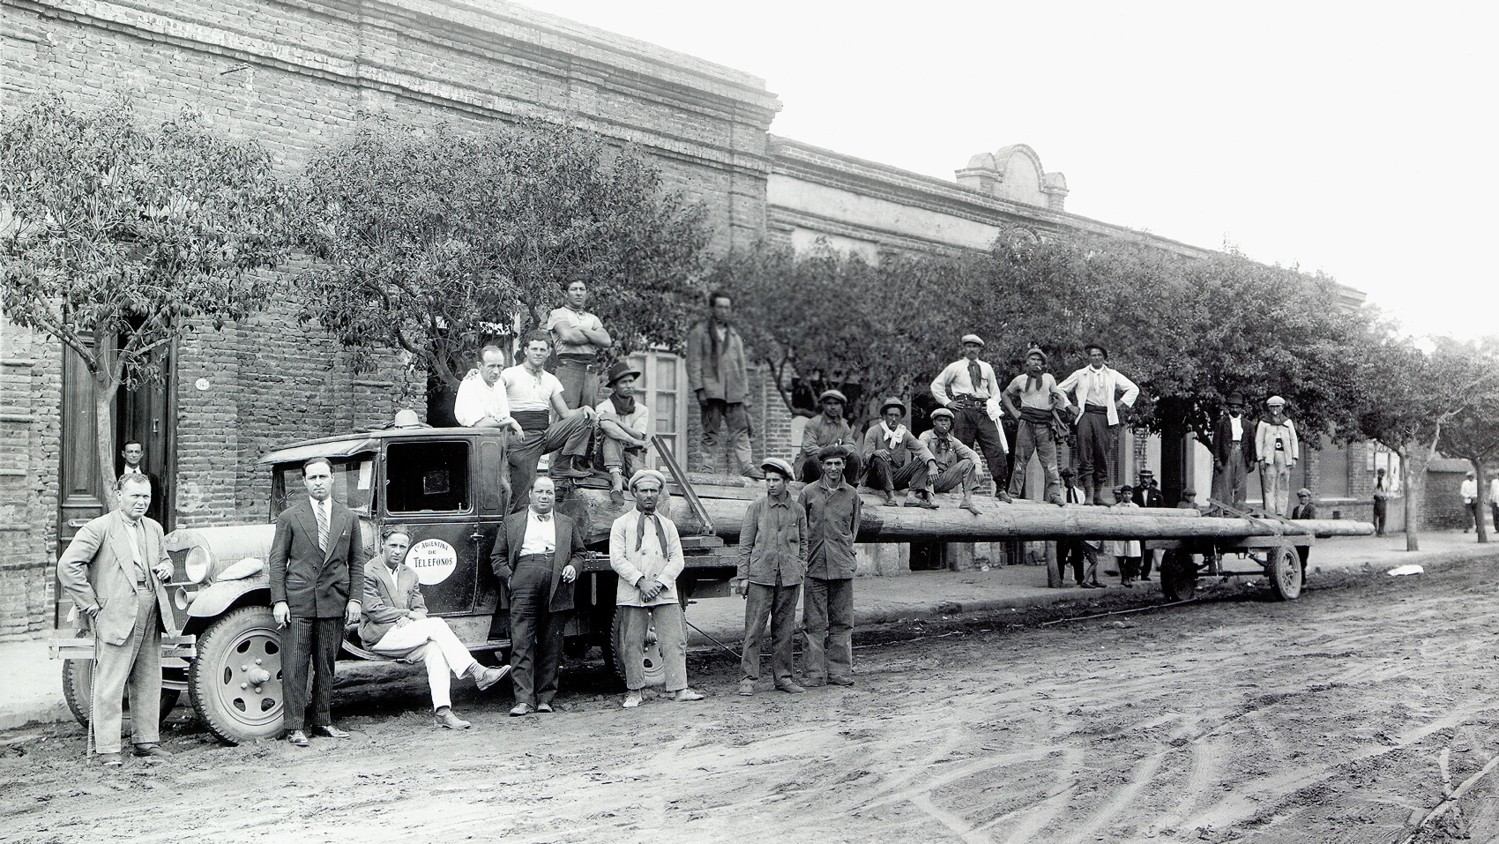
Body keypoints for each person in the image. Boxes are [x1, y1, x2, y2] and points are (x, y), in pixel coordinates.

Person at [56, 474, 176, 765]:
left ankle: (146, 741)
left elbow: (166, 559)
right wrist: (92, 605)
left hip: (151, 607)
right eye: (135, 496)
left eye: (146, 497)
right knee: (111, 681)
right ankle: (108, 750)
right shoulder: (99, 528)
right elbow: (67, 566)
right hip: (115, 612)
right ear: (119, 495)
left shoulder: (154, 528)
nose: (141, 502)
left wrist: (165, 567)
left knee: (149, 678)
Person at [361, 526, 511, 729]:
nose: (397, 551)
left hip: (405, 633)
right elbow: (374, 611)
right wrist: (407, 614)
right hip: (379, 636)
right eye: (393, 545)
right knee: (437, 624)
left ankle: (442, 712)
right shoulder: (368, 571)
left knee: (436, 649)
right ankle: (478, 671)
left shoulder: (410, 574)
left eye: (402, 547)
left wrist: (413, 617)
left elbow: (420, 609)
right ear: (382, 545)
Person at [269, 457, 363, 748]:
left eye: (323, 476)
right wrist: (279, 601)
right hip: (298, 601)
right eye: (312, 478)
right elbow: (277, 561)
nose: (318, 482)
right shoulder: (289, 517)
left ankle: (323, 721)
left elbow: (356, 562)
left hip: (333, 601)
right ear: (305, 481)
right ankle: (295, 726)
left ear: (333, 478)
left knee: (326, 664)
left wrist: (355, 599)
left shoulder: (349, 518)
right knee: (295, 665)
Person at [608, 469, 705, 708]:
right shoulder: (621, 524)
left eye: (653, 490)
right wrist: (641, 581)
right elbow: (617, 559)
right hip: (634, 591)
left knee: (674, 640)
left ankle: (679, 688)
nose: (649, 495)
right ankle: (634, 691)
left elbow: (677, 560)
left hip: (663, 591)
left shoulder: (668, 525)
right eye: (644, 491)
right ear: (634, 493)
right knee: (632, 642)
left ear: (659, 493)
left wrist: (659, 583)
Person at [490, 477, 586, 716]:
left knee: (551, 643)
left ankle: (545, 698)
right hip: (524, 576)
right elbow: (497, 557)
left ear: (554, 497)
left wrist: (574, 566)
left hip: (557, 580)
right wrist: (512, 579)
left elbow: (579, 552)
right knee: (521, 640)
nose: (545, 496)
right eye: (540, 492)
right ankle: (523, 700)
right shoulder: (511, 523)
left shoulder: (566, 523)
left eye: (550, 493)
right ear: (531, 494)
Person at [733, 457, 808, 696]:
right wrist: (743, 576)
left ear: (786, 481)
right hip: (760, 577)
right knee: (753, 630)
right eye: (768, 480)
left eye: (776, 480)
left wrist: (800, 568)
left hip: (788, 578)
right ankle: (747, 679)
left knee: (784, 631)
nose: (771, 485)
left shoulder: (797, 510)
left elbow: (804, 543)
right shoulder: (756, 508)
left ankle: (784, 678)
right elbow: (745, 544)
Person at [502, 331, 597, 507]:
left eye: (542, 349)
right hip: (522, 440)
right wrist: (475, 374)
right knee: (521, 498)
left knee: (585, 418)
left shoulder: (551, 380)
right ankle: (514, 531)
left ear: (549, 353)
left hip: (546, 435)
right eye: (534, 349)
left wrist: (584, 408)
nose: (538, 353)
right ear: (525, 350)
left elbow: (566, 414)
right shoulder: (510, 374)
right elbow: (488, 385)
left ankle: (561, 465)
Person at [800, 445, 863, 686]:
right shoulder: (808, 493)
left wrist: (843, 553)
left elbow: (852, 530)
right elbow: (801, 530)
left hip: (842, 566)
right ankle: (813, 674)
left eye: (838, 463)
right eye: (829, 464)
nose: (833, 468)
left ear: (845, 465)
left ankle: (839, 672)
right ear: (822, 466)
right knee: (813, 623)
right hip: (814, 565)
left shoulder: (852, 495)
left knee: (842, 622)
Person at [686, 291, 762, 478]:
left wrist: (745, 393)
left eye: (727, 307)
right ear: (712, 308)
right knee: (710, 431)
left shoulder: (735, 336)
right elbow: (693, 362)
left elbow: (741, 366)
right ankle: (707, 468)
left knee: (741, 431)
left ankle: (747, 465)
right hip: (712, 391)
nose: (724, 311)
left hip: (734, 392)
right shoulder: (700, 332)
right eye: (720, 306)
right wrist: (699, 388)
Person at [930, 333, 1012, 499]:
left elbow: (996, 393)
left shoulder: (987, 368)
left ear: (979, 349)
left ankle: (1001, 488)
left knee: (995, 448)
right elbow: (936, 385)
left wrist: (991, 405)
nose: (971, 349)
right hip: (963, 411)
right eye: (968, 346)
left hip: (983, 412)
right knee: (964, 450)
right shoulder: (955, 367)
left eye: (975, 346)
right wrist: (947, 403)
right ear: (964, 348)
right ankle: (967, 490)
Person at [1057, 343, 1139, 504]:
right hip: (1086, 414)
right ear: (1089, 357)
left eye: (1099, 355)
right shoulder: (1080, 374)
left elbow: (1133, 389)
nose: (1096, 358)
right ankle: (1088, 494)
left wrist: (1119, 404)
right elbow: (1059, 390)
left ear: (1104, 357)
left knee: (1102, 454)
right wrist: (1069, 406)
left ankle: (1098, 494)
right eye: (1093, 355)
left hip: (1104, 416)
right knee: (1085, 453)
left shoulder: (1112, 374)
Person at [1001, 347, 1072, 505]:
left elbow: (1058, 395)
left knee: (1050, 463)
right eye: (1033, 359)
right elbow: (1005, 395)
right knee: (1020, 460)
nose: (1036, 362)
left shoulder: (1048, 378)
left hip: (1044, 423)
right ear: (1027, 362)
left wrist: (1059, 405)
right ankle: (1013, 493)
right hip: (1026, 421)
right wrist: (1014, 411)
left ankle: (1054, 494)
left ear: (1043, 363)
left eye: (1039, 360)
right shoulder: (1019, 379)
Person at [860, 397, 940, 509]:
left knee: (923, 460)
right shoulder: (874, 431)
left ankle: (911, 497)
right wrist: (875, 453)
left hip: (895, 478)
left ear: (901, 417)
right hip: (875, 478)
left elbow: (921, 449)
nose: (893, 419)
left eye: (896, 416)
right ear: (884, 416)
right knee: (880, 457)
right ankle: (891, 497)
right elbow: (865, 458)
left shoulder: (904, 433)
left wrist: (932, 464)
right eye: (890, 415)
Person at [546, 278, 612, 410]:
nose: (578, 293)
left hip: (590, 370)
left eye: (582, 289)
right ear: (566, 294)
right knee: (566, 414)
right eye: (574, 289)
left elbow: (606, 341)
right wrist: (593, 335)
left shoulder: (592, 318)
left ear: (586, 294)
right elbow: (568, 336)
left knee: (589, 415)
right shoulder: (558, 313)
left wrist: (581, 329)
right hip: (568, 366)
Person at [595, 360, 650, 504]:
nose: (629, 386)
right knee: (611, 436)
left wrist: (617, 421)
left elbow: (639, 434)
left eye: (631, 381)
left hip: (628, 457)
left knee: (648, 480)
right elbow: (606, 426)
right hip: (603, 458)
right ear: (614, 386)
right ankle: (617, 485)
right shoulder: (603, 406)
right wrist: (633, 441)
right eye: (624, 382)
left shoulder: (642, 409)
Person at [918, 407, 982, 515]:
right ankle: (930, 498)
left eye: (946, 420)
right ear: (934, 422)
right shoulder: (926, 435)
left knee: (969, 462)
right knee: (922, 460)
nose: (944, 423)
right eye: (940, 420)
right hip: (924, 479)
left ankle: (967, 500)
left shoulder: (952, 441)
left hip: (941, 479)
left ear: (950, 423)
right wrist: (931, 465)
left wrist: (978, 466)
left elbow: (971, 453)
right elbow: (920, 450)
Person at [453, 345, 524, 434]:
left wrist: (503, 419)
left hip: (496, 436)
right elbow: (479, 424)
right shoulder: (470, 384)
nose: (496, 371)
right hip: (473, 438)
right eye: (491, 366)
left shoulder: (499, 384)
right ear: (480, 366)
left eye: (500, 366)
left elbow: (504, 416)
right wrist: (511, 420)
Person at [798, 389, 862, 484]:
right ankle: (824, 490)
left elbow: (851, 446)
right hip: (813, 467)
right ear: (823, 405)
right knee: (815, 459)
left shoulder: (844, 426)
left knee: (854, 457)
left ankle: (849, 491)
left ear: (841, 406)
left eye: (836, 404)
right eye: (829, 403)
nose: (833, 407)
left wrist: (835, 452)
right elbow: (809, 447)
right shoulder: (813, 423)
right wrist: (832, 452)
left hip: (833, 466)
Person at [1210, 392, 1256, 511]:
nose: (1234, 409)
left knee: (1241, 485)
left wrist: (1252, 460)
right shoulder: (1221, 423)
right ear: (1228, 408)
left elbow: (1252, 443)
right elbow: (1216, 443)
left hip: (1242, 453)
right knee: (1226, 483)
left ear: (1241, 409)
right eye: (1232, 407)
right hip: (1227, 453)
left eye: (1237, 407)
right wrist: (1217, 459)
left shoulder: (1248, 425)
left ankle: (1239, 509)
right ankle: (1227, 510)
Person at [1255, 396, 1300, 516]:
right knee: (1269, 485)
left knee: (1283, 484)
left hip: (1284, 457)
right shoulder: (1264, 423)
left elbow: (1293, 440)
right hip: (1269, 457)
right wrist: (1260, 458)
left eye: (1277, 406)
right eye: (1272, 406)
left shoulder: (1287, 422)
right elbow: (1259, 441)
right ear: (1269, 408)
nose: (1275, 409)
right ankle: (1270, 512)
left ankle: (1281, 512)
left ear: (1282, 407)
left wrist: (1294, 458)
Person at [1055, 468, 1099, 587]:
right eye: (1066, 477)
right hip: (1063, 529)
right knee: (1061, 555)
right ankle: (1059, 578)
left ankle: (1080, 579)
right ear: (1063, 479)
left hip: (1077, 529)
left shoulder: (1080, 493)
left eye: (1071, 476)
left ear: (1074, 477)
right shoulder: (1059, 493)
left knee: (1078, 555)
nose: (1069, 479)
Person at [118, 440, 166, 525]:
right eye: (130, 452)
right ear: (123, 454)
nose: (133, 455)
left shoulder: (151, 478)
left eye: (137, 452)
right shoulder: (116, 476)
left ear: (141, 454)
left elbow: (155, 505)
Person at [1132, 469, 1165, 580]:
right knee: (1137, 550)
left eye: (1147, 478)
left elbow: (1162, 509)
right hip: (1138, 525)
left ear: (1151, 479)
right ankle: (1134, 573)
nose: (1145, 480)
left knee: (1149, 551)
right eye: (1143, 477)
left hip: (1151, 526)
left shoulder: (1156, 493)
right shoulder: (1134, 491)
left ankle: (1145, 574)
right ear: (1140, 479)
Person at [1107, 484, 1142, 587]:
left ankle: (1129, 576)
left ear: (1132, 495)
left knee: (1132, 557)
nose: (1127, 496)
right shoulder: (1116, 507)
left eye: (1129, 493)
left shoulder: (1135, 507)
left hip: (1132, 534)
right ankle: (1124, 577)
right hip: (1121, 534)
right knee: (1121, 556)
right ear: (1122, 495)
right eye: (1125, 494)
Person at [1289, 489, 1317, 577]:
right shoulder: (1295, 509)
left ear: (1309, 498)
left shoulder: (1311, 508)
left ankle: (1303, 580)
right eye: (1301, 497)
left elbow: (1311, 521)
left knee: (1303, 559)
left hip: (1305, 537)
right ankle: (1297, 578)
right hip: (1296, 537)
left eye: (1305, 497)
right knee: (1295, 558)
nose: (1303, 499)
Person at [1372, 468, 1390, 536]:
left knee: (1382, 516)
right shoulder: (1374, 480)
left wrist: (1386, 497)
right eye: (1379, 473)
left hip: (1382, 500)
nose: (1380, 475)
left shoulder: (1386, 481)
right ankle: (1375, 530)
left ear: (1384, 474)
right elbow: (1374, 489)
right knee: (1375, 515)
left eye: (1382, 474)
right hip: (1376, 499)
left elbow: (1387, 490)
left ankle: (1381, 531)